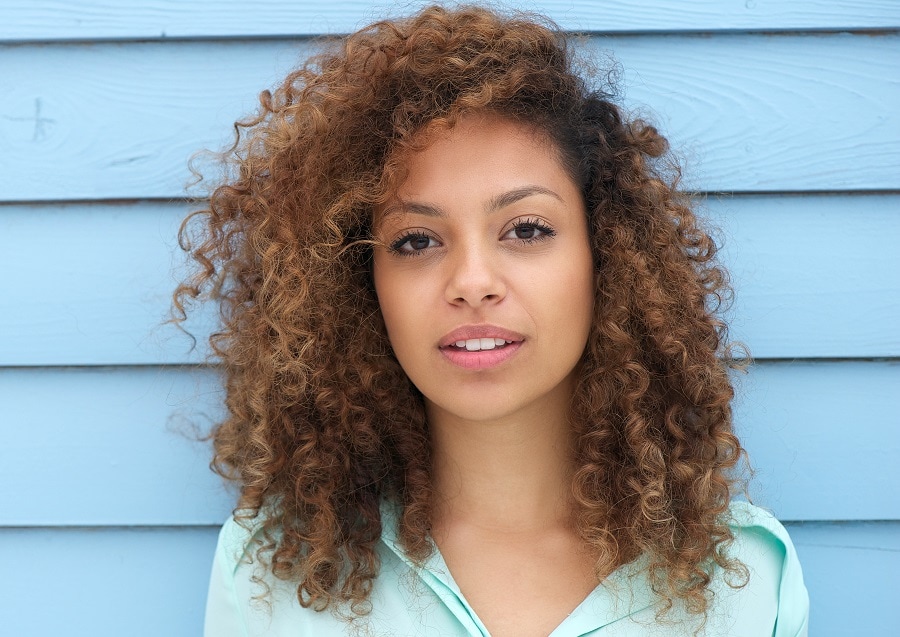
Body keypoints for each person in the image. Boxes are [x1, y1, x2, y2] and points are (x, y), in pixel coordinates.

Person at [174, 5, 809, 636]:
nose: (472, 282)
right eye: (417, 241)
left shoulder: (744, 579)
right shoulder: (269, 572)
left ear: (606, 257)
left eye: (526, 229)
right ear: (359, 285)